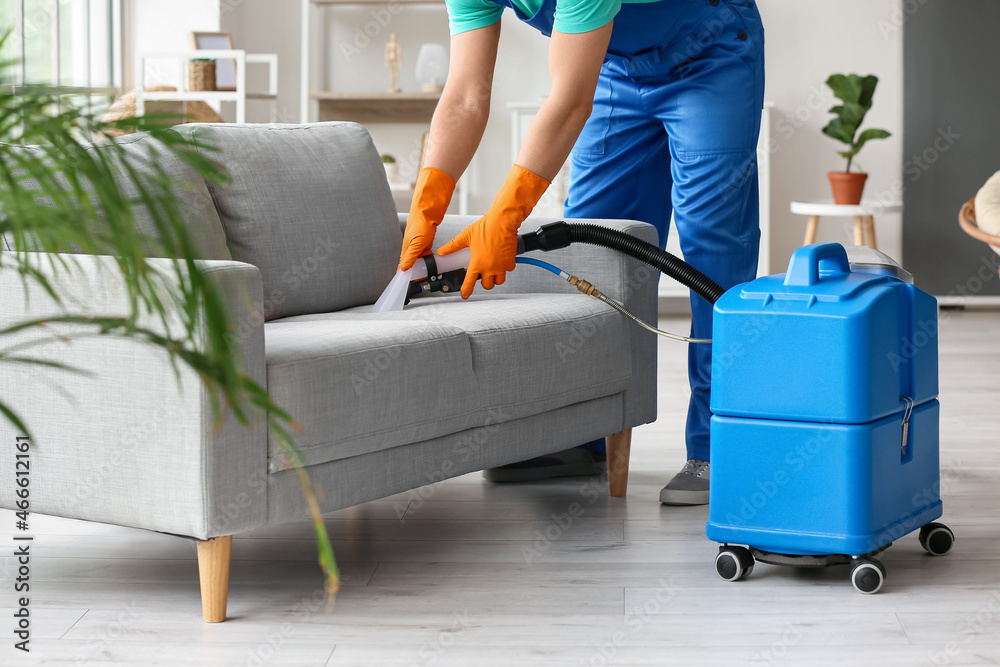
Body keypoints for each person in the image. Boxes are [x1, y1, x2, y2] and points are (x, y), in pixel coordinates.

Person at [398, 0, 765, 505]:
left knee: (712, 250)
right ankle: (581, 435)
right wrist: (426, 203)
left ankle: (720, 448)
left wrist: (505, 216)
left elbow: (570, 100)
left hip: (709, 55)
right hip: (616, 66)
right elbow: (464, 96)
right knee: (594, 246)